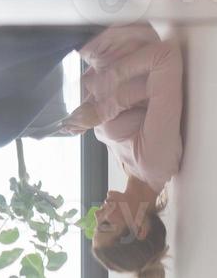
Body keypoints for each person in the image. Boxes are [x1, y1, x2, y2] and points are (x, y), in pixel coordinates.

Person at [60, 23, 182, 276]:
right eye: (105, 225)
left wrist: (88, 112)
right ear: (139, 228)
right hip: (108, 25)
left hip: (89, 38)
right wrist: (100, 112)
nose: (96, 216)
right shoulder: (155, 164)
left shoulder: (130, 169)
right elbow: (166, 58)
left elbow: (132, 92)